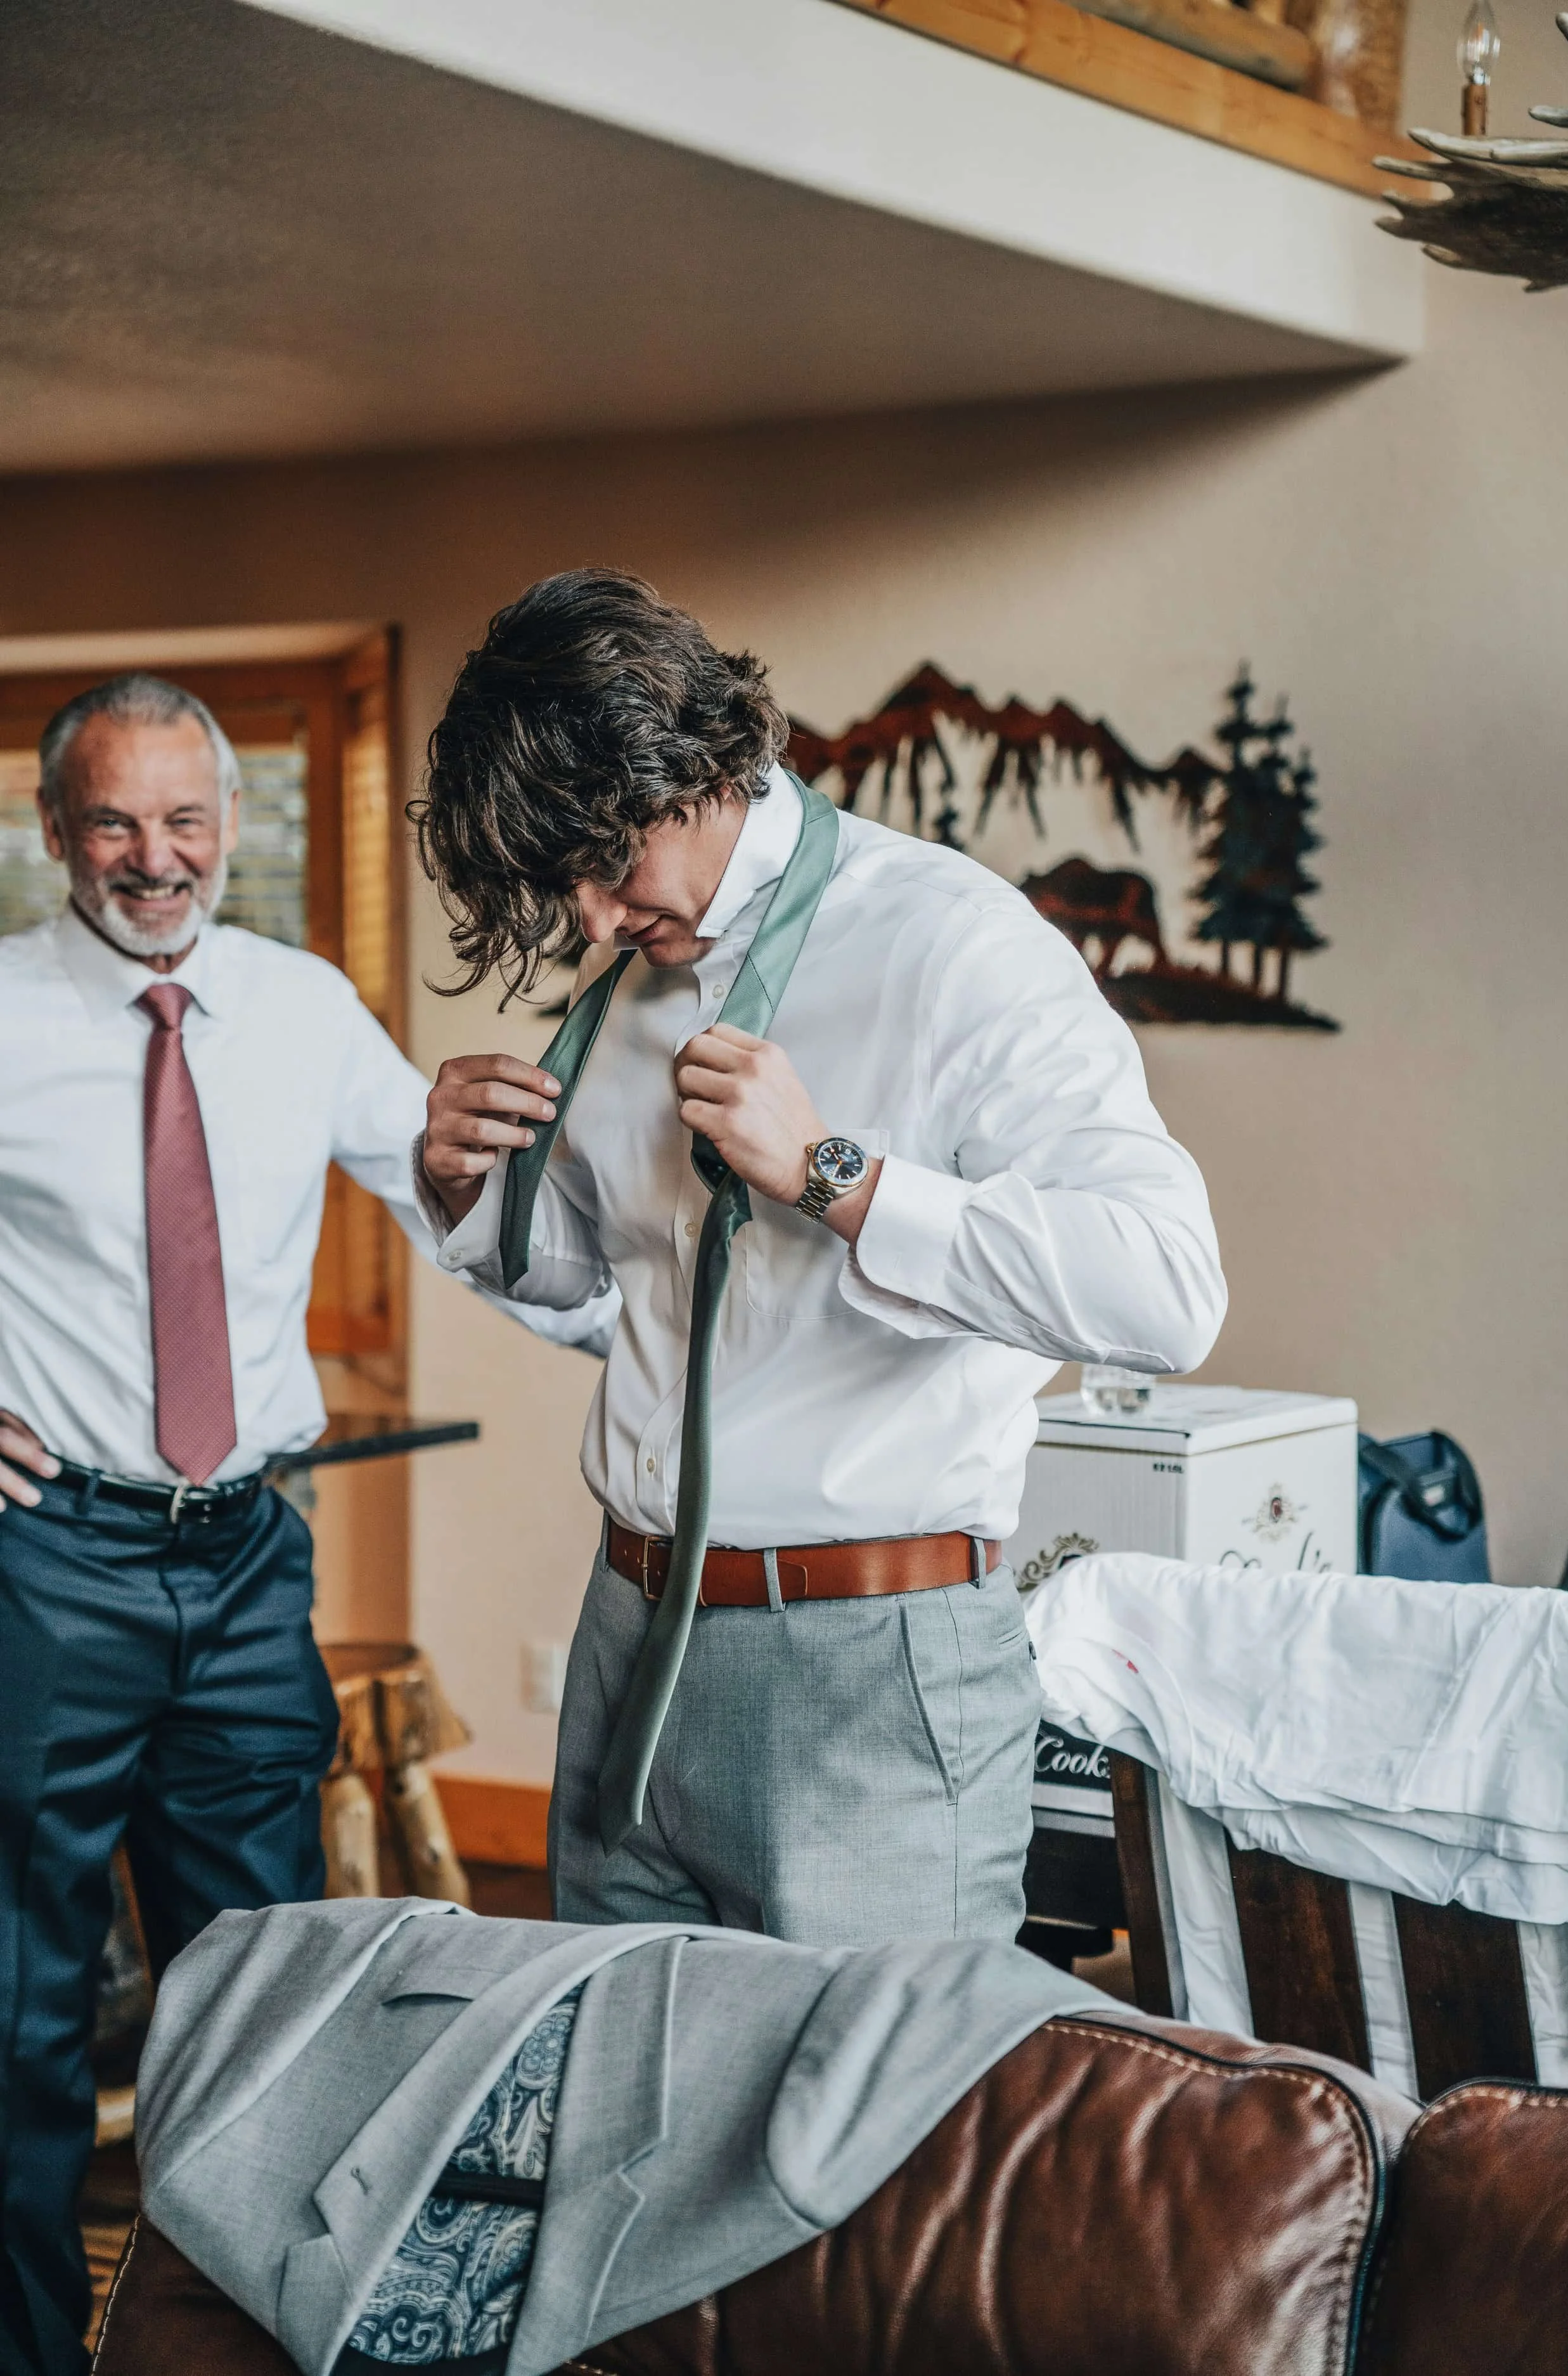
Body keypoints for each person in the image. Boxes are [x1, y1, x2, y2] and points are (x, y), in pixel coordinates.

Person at [417, 571, 1226, 1953]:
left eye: (609, 867)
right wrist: (463, 1186)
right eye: (566, 889)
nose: (596, 921)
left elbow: (1163, 1286)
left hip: (870, 1658)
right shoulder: (622, 977)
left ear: (696, 769)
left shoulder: (955, 944)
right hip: (628, 1633)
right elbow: (619, 1289)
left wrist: (837, 1178)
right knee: (625, 2117)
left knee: (874, 2140)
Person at [0, 674, 610, 2376]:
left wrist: (666, 1328)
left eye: (187, 820)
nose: (155, 857)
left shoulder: (300, 1005)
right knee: (20, 2005)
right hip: (49, 1561)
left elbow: (442, 1193)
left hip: (246, 1561)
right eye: (115, 821)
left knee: (267, 1991)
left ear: (233, 826)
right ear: (55, 832)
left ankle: (229, 2340)